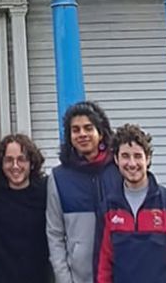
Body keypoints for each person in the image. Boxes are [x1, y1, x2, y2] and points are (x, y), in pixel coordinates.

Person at [97, 124, 166, 283]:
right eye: (126, 156)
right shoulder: (108, 209)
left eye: (138, 156)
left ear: (147, 159)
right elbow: (103, 267)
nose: (132, 163)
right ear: (116, 159)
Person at [46, 100, 122, 283]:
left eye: (88, 128)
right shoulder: (59, 178)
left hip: (121, 272)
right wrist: (64, 278)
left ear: (101, 132)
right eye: (76, 130)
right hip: (80, 277)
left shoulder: (120, 171)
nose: (82, 134)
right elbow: (55, 234)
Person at [0, 133, 51, 283]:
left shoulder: (46, 190)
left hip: (37, 277)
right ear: (1, 164)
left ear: (31, 162)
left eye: (21, 159)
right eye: (9, 160)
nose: (15, 166)